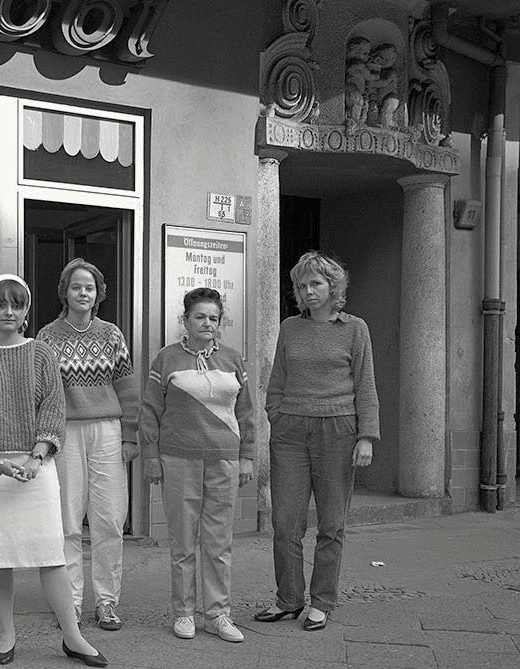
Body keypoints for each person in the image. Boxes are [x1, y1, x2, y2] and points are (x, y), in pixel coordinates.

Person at [0, 274, 108, 668]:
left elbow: (54, 409)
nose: (9, 312)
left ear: (26, 310)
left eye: (17, 304)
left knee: (50, 552)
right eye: (0, 304)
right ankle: (7, 633)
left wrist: (37, 457)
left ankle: (72, 636)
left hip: (36, 467)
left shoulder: (41, 354)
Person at [256, 251, 379, 632]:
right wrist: (276, 414)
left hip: (338, 432)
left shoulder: (354, 329)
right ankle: (289, 599)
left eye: (316, 284)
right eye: (302, 285)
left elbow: (366, 386)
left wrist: (366, 437)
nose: (308, 291)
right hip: (290, 432)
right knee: (285, 522)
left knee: (331, 523)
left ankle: (322, 602)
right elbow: (277, 379)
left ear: (334, 287)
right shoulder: (291, 328)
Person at [140, 287, 256, 643]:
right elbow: (150, 410)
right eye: (200, 317)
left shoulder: (234, 359)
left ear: (220, 322)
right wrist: (151, 456)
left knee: (219, 543)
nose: (207, 323)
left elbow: (247, 412)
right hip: (178, 459)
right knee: (183, 542)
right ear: (185, 321)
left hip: (223, 460)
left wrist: (247, 456)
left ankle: (218, 614)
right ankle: (184, 613)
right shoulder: (167, 359)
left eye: (213, 318)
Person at [35, 259, 140, 631]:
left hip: (108, 431)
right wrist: (43, 440)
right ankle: (72, 601)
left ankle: (107, 601)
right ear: (64, 292)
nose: (83, 293)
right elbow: (42, 393)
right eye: (76, 287)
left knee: (110, 517)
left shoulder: (112, 334)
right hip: (66, 432)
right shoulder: (46, 337)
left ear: (98, 295)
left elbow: (127, 387)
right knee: (67, 520)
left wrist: (130, 435)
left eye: (90, 288)